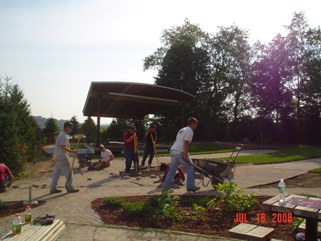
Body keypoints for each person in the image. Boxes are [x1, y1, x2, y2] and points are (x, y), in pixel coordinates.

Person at [162, 117, 199, 193]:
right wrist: (185, 155)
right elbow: (186, 143)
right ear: (192, 123)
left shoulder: (182, 130)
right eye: (196, 124)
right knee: (190, 167)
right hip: (180, 152)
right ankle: (191, 187)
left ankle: (165, 188)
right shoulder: (190, 131)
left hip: (173, 150)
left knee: (172, 170)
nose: (196, 126)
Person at [50, 121, 79, 194]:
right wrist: (73, 152)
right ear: (67, 127)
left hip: (57, 157)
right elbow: (63, 147)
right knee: (69, 173)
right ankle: (70, 188)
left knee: (56, 174)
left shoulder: (61, 134)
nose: (71, 129)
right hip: (62, 157)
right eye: (70, 128)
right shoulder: (63, 136)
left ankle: (53, 189)